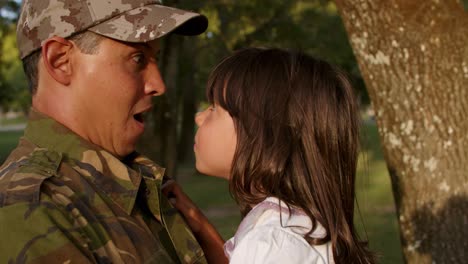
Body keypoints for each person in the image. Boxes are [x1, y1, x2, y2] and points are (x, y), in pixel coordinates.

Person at [0, 0, 222, 263]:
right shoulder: (29, 209)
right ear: (60, 61)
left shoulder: (136, 179)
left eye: (155, 59)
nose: (158, 84)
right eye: (138, 58)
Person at [165, 48, 376, 263]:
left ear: (263, 135)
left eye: (214, 109)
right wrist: (200, 226)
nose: (199, 118)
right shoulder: (292, 228)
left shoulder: (273, 245)